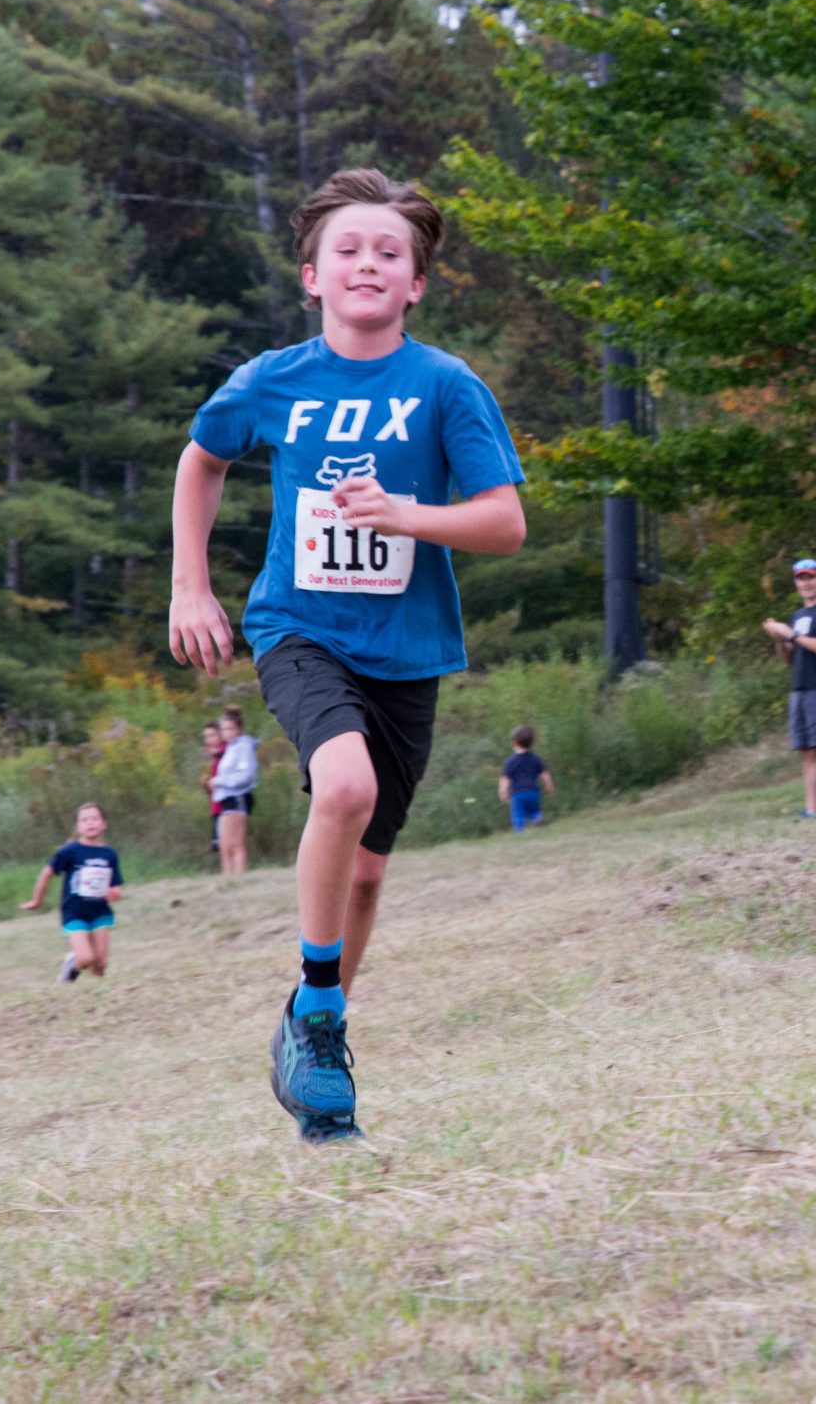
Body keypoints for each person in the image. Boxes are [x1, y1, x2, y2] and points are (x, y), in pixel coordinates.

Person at [169, 168, 526, 1144]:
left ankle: (313, 1031)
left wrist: (407, 514)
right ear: (312, 276)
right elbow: (203, 459)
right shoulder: (273, 379)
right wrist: (189, 585)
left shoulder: (446, 387)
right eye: (348, 250)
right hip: (300, 629)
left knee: (366, 875)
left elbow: (504, 523)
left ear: (414, 283)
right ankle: (322, 1017)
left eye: (390, 253)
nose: (368, 262)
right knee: (342, 788)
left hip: (407, 651)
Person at [763, 556, 816, 818]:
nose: (807, 583)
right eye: (801, 578)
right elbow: (789, 658)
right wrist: (779, 640)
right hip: (798, 688)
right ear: (796, 583)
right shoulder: (798, 615)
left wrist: (790, 634)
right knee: (806, 750)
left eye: (811, 577)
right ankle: (812, 809)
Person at [21, 802, 124, 983]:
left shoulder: (109, 854)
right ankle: (72, 964)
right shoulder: (69, 852)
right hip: (74, 912)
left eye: (94, 819)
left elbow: (116, 887)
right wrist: (36, 901)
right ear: (78, 826)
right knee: (85, 959)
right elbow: (46, 874)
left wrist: (114, 894)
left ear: (103, 823)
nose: (90, 823)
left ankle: (98, 999)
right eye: (84, 820)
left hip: (100, 912)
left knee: (100, 964)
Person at [211, 707, 259, 876]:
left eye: (230, 728)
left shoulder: (244, 746)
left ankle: (239, 879)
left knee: (235, 844)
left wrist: (220, 780)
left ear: (239, 728)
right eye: (224, 729)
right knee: (224, 844)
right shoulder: (230, 748)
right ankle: (228, 880)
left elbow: (245, 776)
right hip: (225, 798)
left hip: (237, 797)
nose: (227, 732)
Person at [499, 724, 554, 831]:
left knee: (518, 815)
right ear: (531, 743)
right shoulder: (535, 759)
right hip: (534, 793)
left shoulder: (510, 762)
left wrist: (503, 793)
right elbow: (545, 775)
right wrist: (549, 787)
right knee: (534, 811)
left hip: (518, 794)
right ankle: (538, 819)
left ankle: (520, 833)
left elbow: (505, 780)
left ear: (514, 742)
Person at [200, 720, 226, 854]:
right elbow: (214, 791)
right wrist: (206, 784)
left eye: (211, 735)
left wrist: (215, 753)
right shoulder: (216, 760)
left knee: (225, 846)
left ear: (220, 734)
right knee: (218, 846)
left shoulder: (226, 752)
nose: (208, 740)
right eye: (206, 737)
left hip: (226, 807)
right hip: (216, 808)